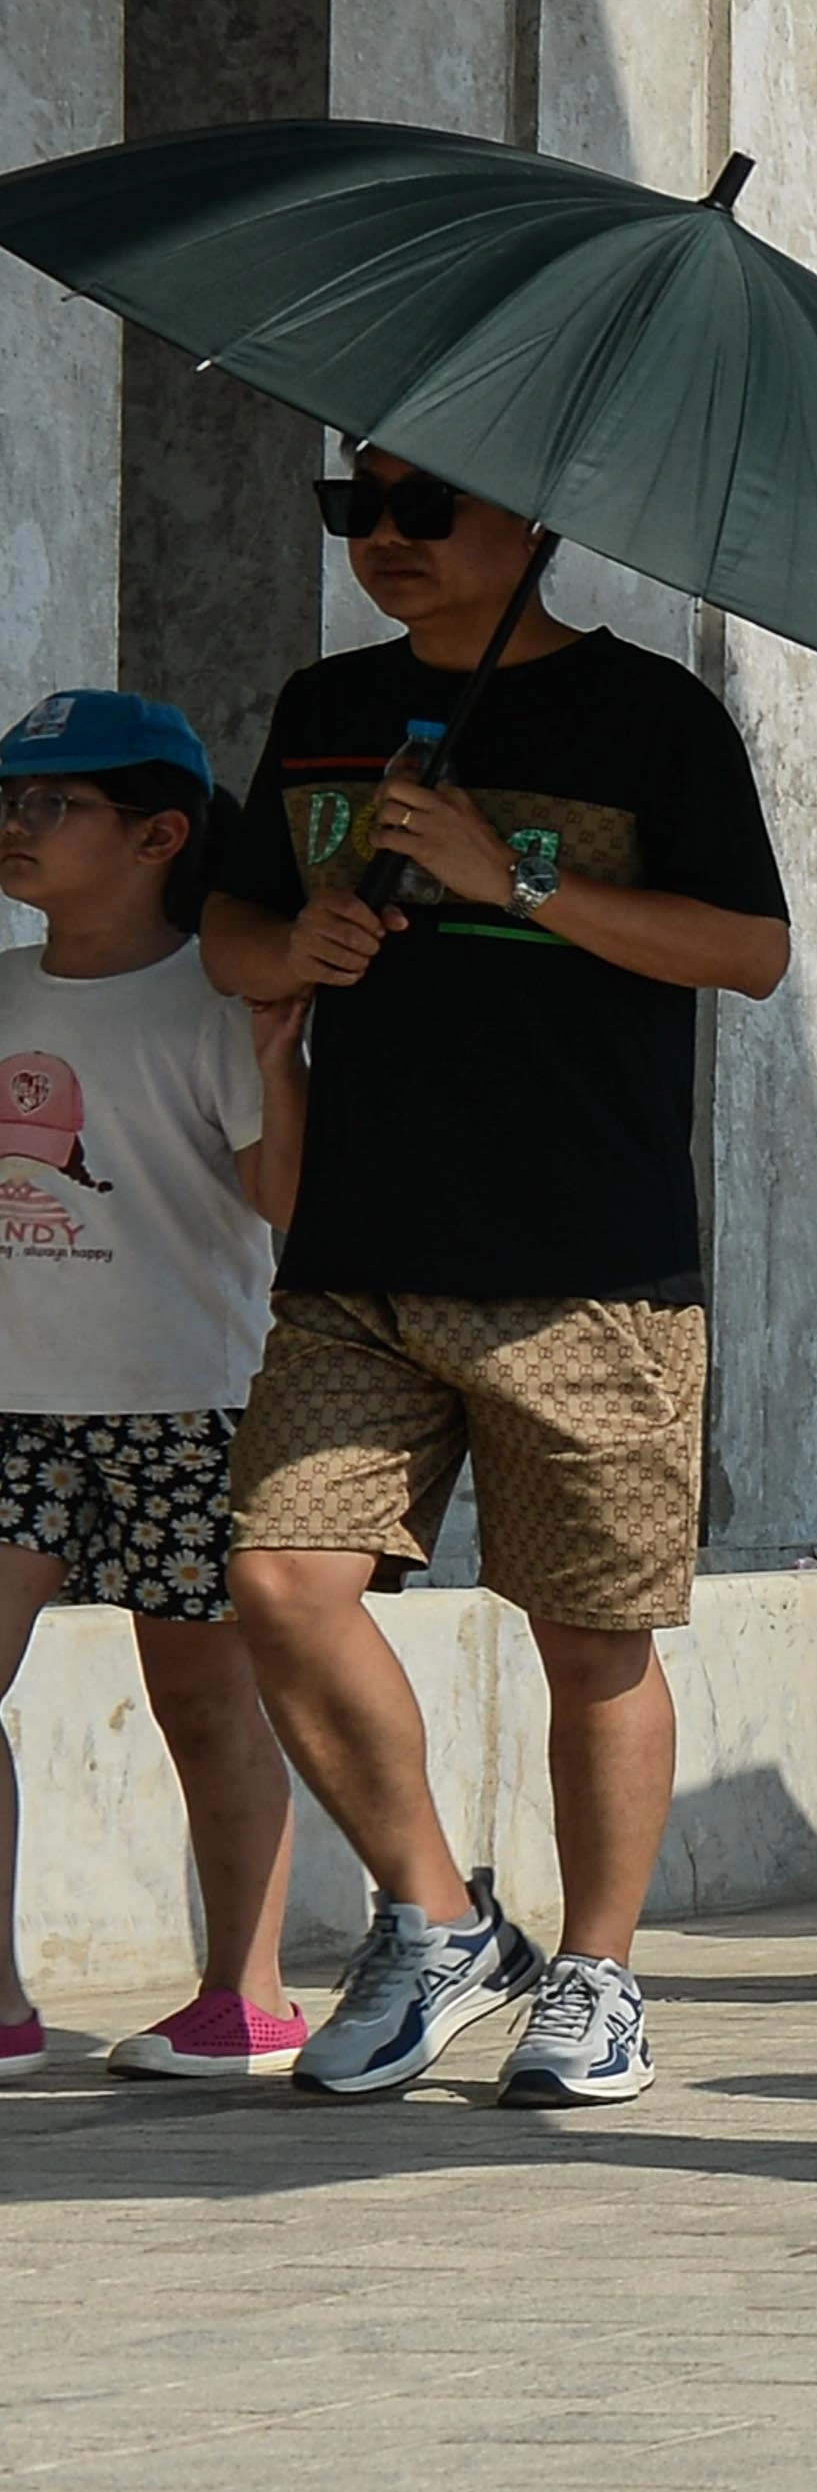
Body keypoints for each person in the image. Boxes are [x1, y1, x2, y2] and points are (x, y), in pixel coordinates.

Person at [203, 449, 796, 2111]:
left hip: (587, 1266)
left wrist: (511, 874)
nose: (382, 538)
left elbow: (747, 953)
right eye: (353, 508)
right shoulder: (327, 706)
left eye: (422, 508)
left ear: (531, 527)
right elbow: (232, 936)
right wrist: (299, 944)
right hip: (358, 1258)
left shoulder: (651, 716)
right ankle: (438, 1917)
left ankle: (599, 1977)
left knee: (589, 1639)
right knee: (278, 1583)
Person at [0, 693, 306, 2076]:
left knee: (204, 1705)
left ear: (157, 833)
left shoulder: (223, 999)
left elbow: (282, 1199)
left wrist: (279, 1056)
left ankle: (244, 1994)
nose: (14, 826)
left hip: (192, 1405)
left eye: (49, 803)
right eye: (7, 799)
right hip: (11, 1411)